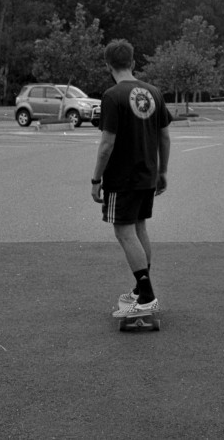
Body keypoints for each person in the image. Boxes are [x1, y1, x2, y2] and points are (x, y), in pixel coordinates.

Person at [90, 39, 171, 318]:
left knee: (124, 231)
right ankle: (141, 289)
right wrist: (162, 171)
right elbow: (164, 135)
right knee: (139, 229)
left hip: (122, 177)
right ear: (134, 62)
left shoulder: (112, 96)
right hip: (147, 174)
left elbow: (106, 145)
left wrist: (96, 180)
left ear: (108, 65)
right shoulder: (154, 93)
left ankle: (146, 294)